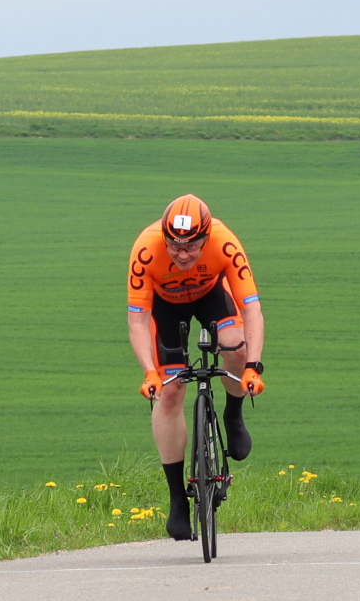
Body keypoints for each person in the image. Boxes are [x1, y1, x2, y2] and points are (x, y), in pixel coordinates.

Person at [128, 194, 266, 541]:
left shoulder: (225, 241)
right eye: (175, 246)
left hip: (210, 296)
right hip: (165, 305)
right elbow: (138, 320)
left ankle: (233, 414)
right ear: (164, 237)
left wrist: (253, 367)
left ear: (207, 237)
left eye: (192, 246)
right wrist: (149, 372)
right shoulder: (146, 250)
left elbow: (252, 310)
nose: (183, 254)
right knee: (171, 390)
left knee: (235, 346)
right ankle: (177, 499)